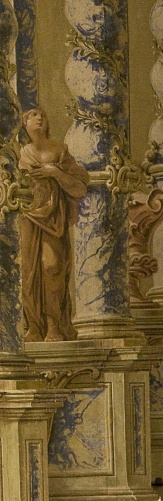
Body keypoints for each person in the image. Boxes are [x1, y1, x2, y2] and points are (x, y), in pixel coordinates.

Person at [18, 107, 88, 342]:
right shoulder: (19, 153)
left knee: (52, 267)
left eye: (42, 115)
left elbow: (80, 185)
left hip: (53, 218)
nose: (39, 118)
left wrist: (55, 173)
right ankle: (34, 327)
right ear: (24, 124)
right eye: (33, 115)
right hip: (27, 217)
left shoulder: (60, 151)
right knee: (28, 272)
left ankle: (54, 325)